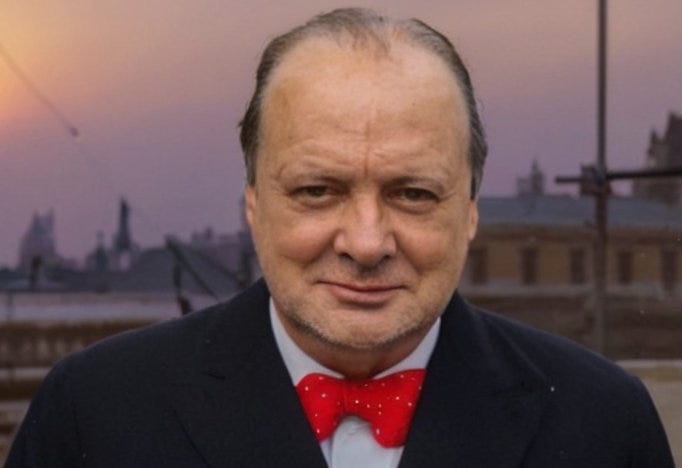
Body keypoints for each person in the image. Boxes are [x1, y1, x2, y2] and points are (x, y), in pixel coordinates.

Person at [6, 8, 673, 467]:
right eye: (317, 191)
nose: (366, 242)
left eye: (413, 194)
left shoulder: (604, 426)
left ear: (470, 211)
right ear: (252, 205)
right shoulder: (92, 416)